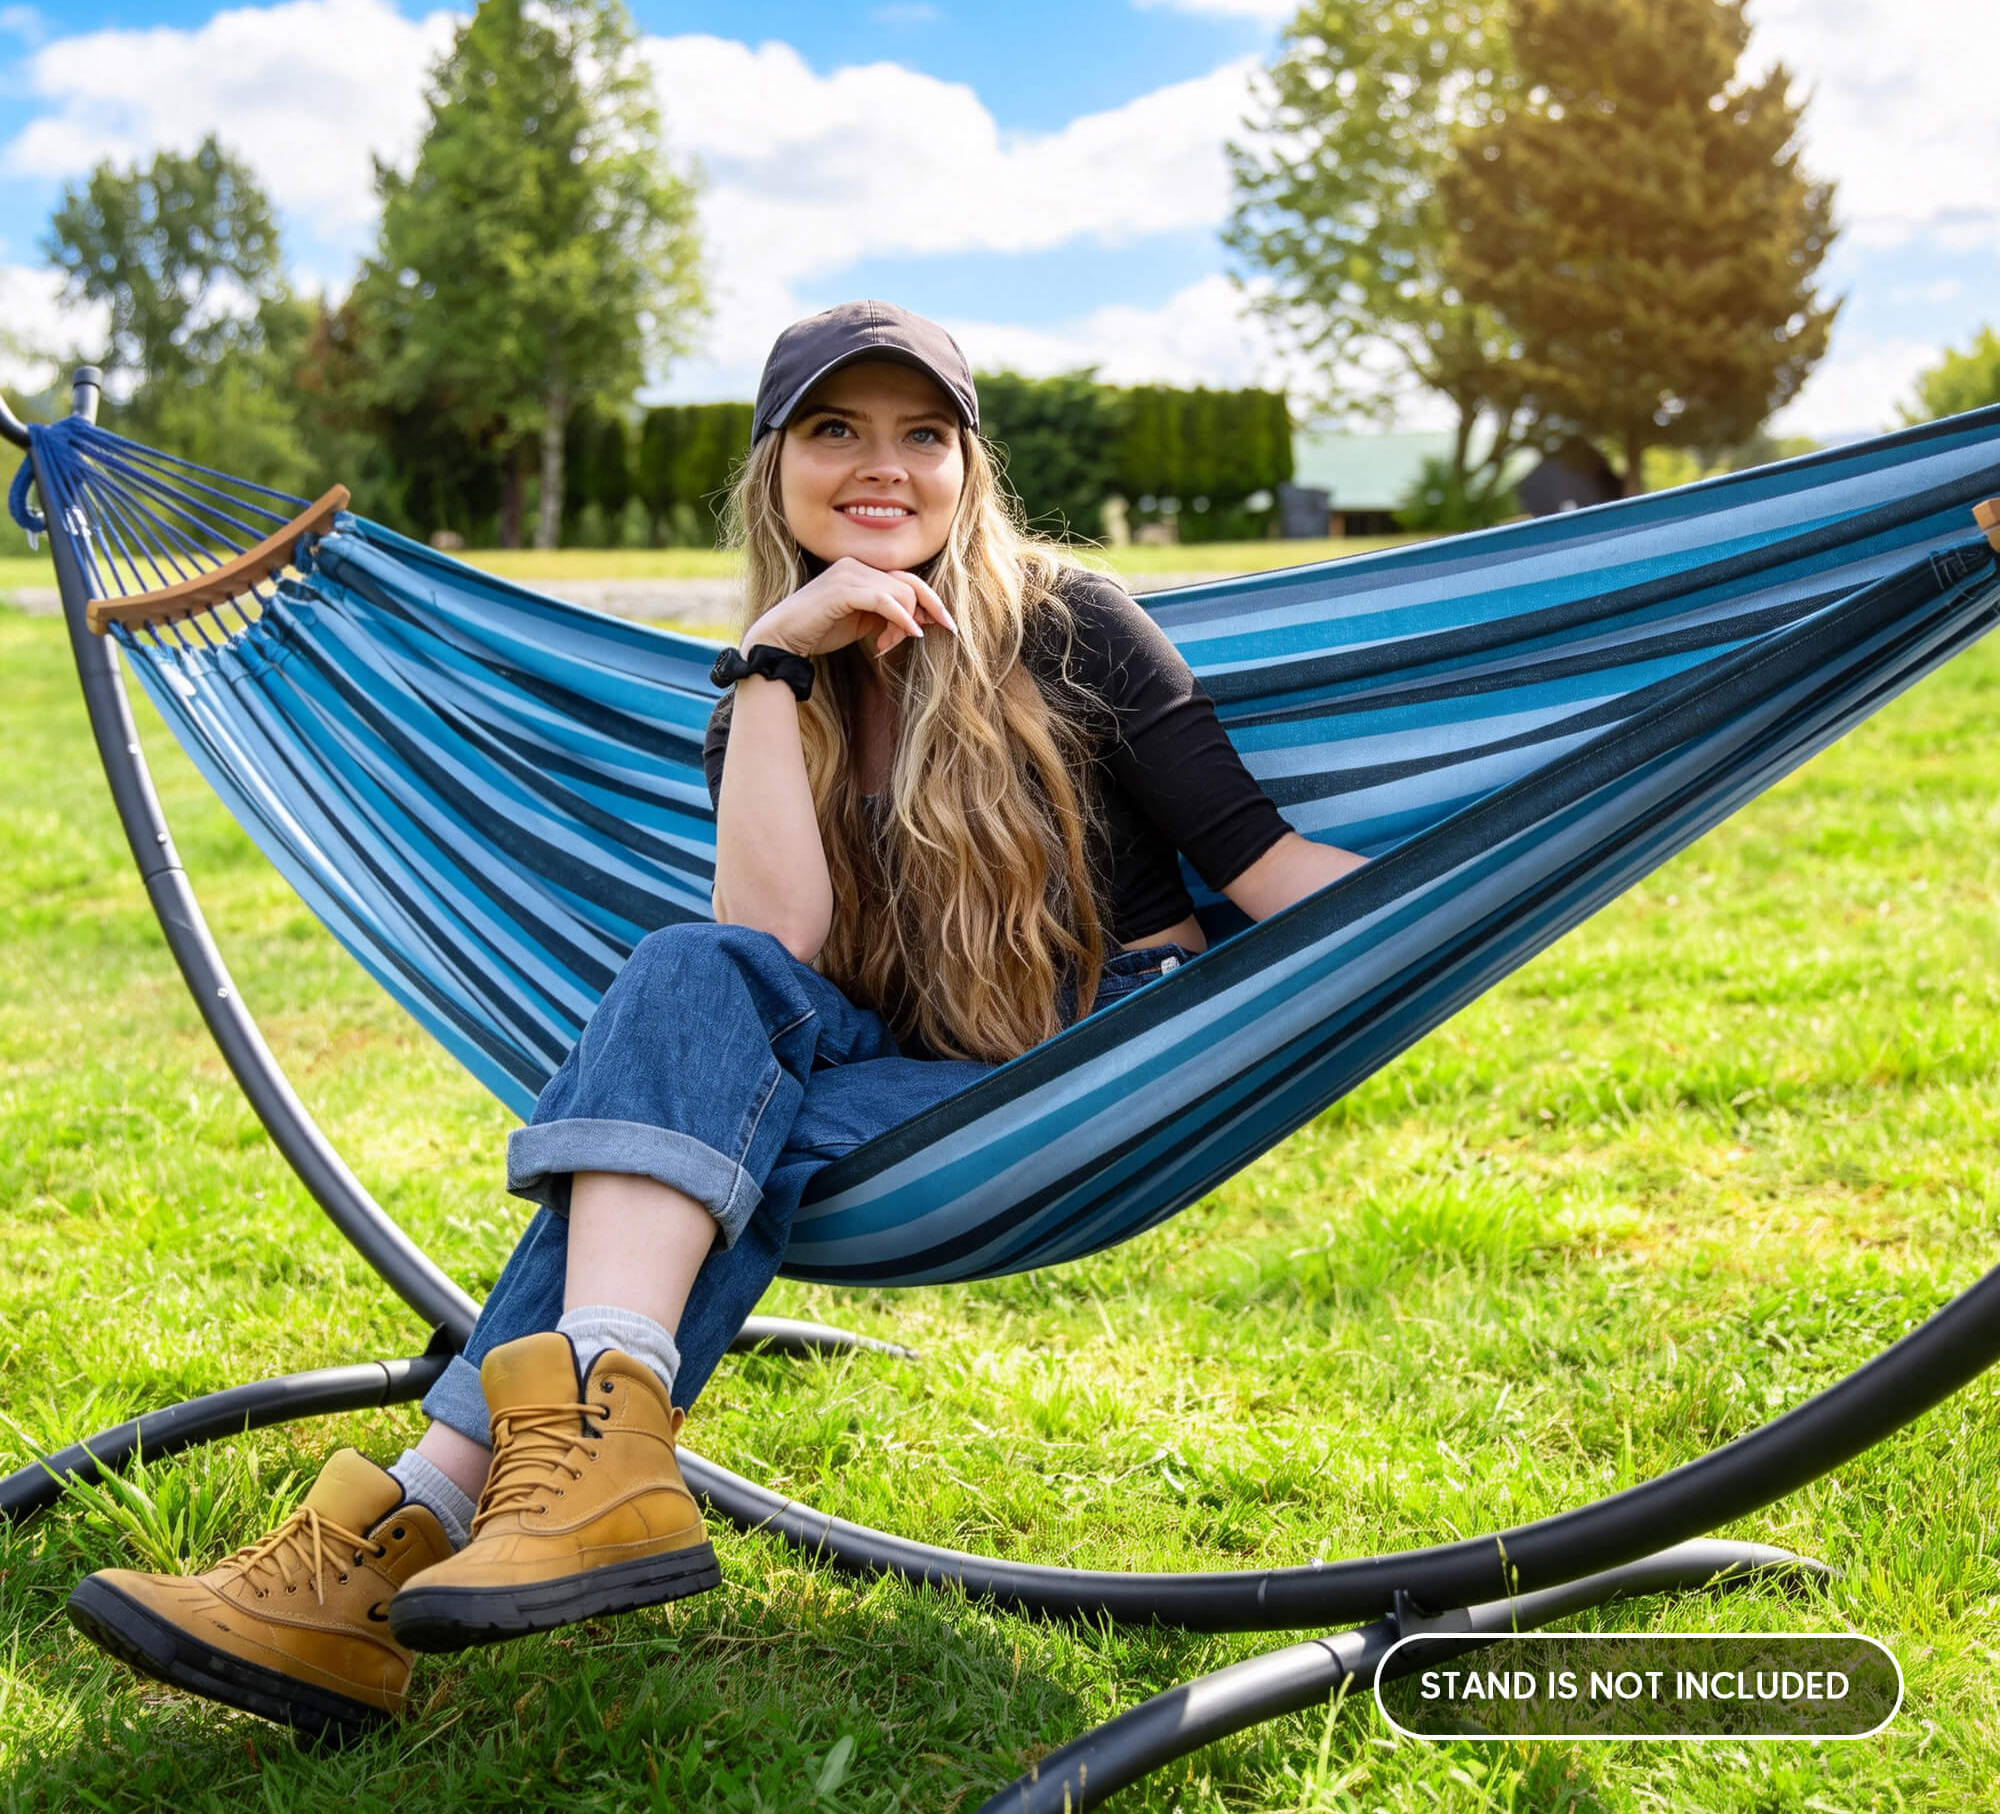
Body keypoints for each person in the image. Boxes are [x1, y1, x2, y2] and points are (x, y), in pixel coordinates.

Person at [64, 301, 1368, 1741]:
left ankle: (400, 1529)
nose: (884, 467)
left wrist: (1495, 882)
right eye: (836, 431)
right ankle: (599, 1428)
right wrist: (772, 666)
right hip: (898, 1062)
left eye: (922, 434)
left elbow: (1265, 864)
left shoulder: (1069, 626)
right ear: (775, 467)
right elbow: (773, 946)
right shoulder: (768, 684)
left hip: (1104, 1048)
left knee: (686, 1148)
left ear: (968, 466)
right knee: (695, 984)